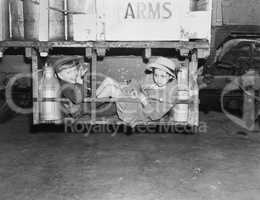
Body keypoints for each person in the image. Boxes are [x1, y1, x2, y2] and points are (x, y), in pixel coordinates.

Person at [96, 57, 179, 126]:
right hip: (134, 101)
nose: (158, 79)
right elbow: (137, 83)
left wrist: (144, 101)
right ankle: (91, 103)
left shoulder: (169, 95)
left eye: (162, 76)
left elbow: (155, 116)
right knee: (108, 80)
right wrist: (132, 90)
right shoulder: (151, 80)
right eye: (156, 75)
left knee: (111, 89)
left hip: (137, 113)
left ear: (170, 77)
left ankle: (90, 107)